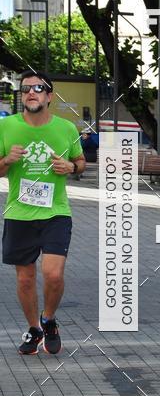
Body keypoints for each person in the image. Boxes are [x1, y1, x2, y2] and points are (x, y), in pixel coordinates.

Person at [0, 70, 86, 355]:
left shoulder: (66, 128)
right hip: (19, 213)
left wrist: (71, 168)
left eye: (38, 88)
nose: (31, 93)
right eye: (25, 89)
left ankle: (49, 319)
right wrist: (6, 161)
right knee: (25, 278)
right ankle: (34, 329)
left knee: (53, 275)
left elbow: (81, 161)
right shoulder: (6, 127)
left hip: (55, 212)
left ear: (49, 95)